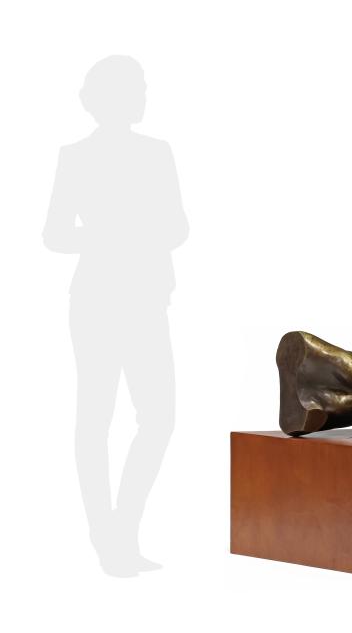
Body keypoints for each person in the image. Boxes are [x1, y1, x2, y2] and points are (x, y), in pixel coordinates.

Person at [43, 55, 189, 576]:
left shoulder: (157, 153)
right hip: (97, 300)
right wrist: (110, 234)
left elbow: (178, 226)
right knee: (95, 418)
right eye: (137, 88)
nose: (144, 96)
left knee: (159, 417)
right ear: (113, 97)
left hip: (146, 297)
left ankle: (122, 530)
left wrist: (139, 232)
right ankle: (105, 537)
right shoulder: (75, 156)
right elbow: (54, 233)